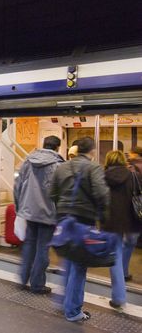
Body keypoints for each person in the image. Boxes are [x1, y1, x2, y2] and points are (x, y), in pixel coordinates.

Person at [50, 136, 110, 322]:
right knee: (79, 265)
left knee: (68, 259)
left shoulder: (61, 167)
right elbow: (102, 195)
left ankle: (63, 301)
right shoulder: (94, 167)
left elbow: (52, 193)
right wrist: (105, 220)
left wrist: (62, 212)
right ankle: (73, 310)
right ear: (92, 151)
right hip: (83, 221)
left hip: (64, 220)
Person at [14, 136, 64, 294]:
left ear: (43, 145)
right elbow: (61, 192)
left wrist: (19, 208)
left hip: (29, 211)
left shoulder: (28, 161)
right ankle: (37, 285)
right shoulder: (58, 165)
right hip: (48, 214)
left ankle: (23, 279)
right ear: (57, 147)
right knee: (43, 248)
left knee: (29, 245)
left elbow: (18, 185)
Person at [102, 150, 138, 309]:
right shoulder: (133, 176)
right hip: (130, 221)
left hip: (111, 222)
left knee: (114, 257)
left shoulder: (103, 177)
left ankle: (118, 297)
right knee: (126, 246)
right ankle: (123, 276)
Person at [124, 146, 142, 281]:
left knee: (129, 242)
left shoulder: (129, 169)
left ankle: (123, 271)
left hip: (133, 209)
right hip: (137, 208)